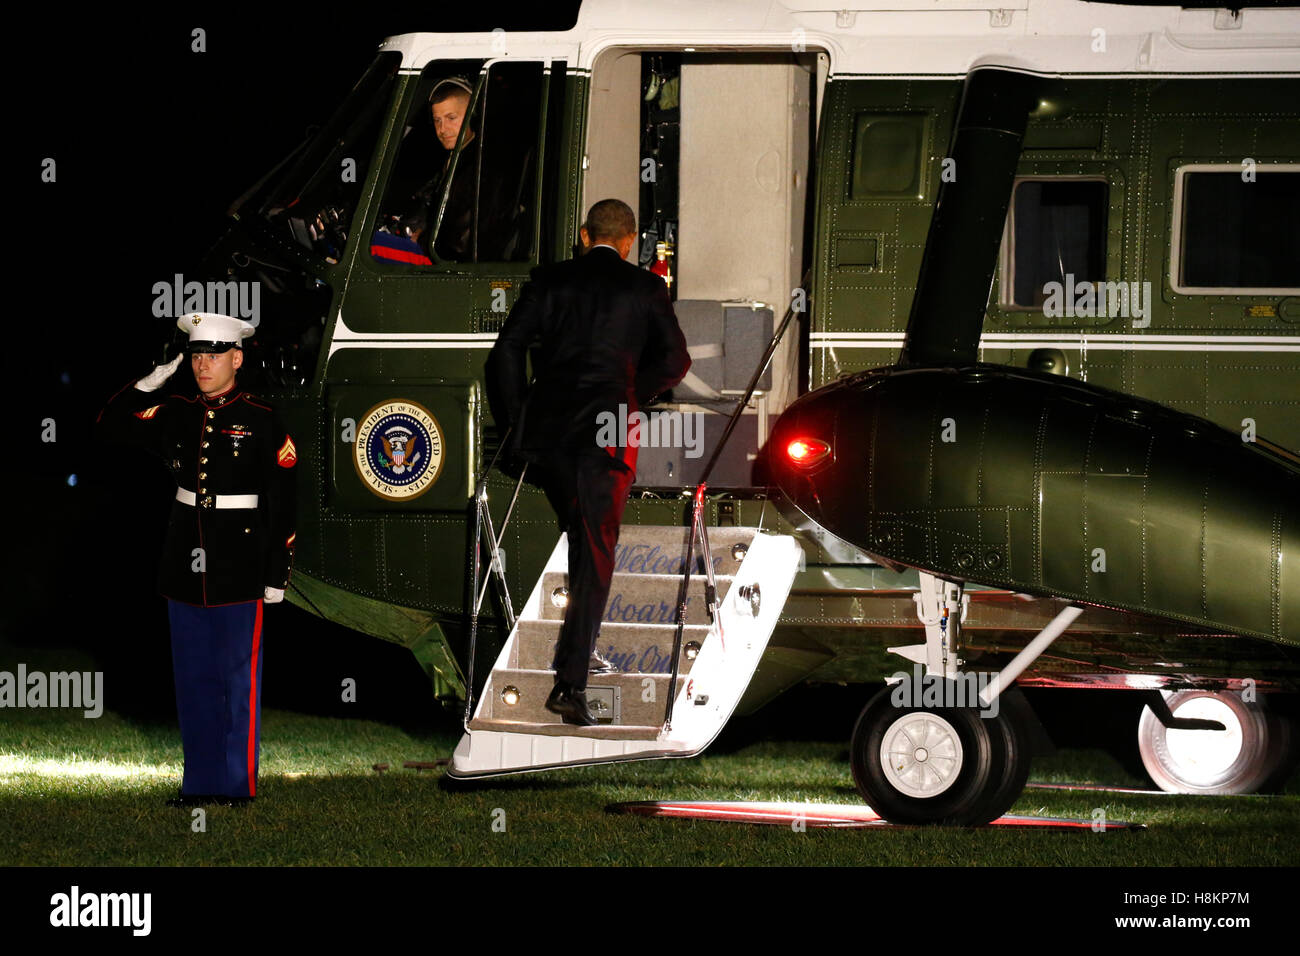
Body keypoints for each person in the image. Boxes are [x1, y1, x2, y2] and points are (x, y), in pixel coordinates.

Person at [486, 199, 691, 725]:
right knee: (597, 551)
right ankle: (569, 683)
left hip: (552, 432)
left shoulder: (550, 280)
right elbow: (676, 360)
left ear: (583, 235)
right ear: (629, 242)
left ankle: (570, 669)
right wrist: (630, 394)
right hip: (608, 432)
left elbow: (506, 351)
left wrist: (516, 419)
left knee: (583, 533)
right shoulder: (645, 287)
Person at [96, 313, 297, 805]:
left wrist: (277, 573)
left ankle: (235, 787)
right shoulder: (178, 411)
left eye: (214, 355)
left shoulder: (263, 418)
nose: (203, 365)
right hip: (184, 560)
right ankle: (199, 784)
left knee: (237, 680)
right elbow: (110, 427)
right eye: (196, 356)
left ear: (238, 358)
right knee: (193, 680)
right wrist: (149, 382)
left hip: (240, 562)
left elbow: (284, 501)